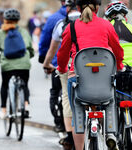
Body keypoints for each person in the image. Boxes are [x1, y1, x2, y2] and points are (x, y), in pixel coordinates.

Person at [56, 0, 125, 149]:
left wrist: (61, 68)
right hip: (103, 81)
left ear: (78, 7)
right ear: (98, 7)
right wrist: (119, 66)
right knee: (110, 100)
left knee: (77, 112)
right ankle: (110, 133)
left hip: (79, 81)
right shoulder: (107, 25)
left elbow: (62, 54)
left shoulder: (71, 27)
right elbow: (118, 50)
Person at [105, 1, 132, 149]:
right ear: (125, 16)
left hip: (115, 75)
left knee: (111, 105)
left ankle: (113, 136)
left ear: (109, 17)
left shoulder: (106, 30)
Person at [43, 0, 80, 149]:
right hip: (93, 62)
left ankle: (70, 137)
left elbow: (54, 50)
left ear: (67, 8)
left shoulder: (62, 24)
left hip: (70, 64)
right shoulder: (91, 22)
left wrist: (47, 64)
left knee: (67, 95)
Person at [0, 8, 34, 119]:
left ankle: (3, 109)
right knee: (24, 84)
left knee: (5, 84)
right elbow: (31, 49)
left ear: (4, 20)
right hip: (24, 64)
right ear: (18, 20)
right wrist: (30, 55)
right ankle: (26, 104)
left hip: (7, 66)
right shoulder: (23, 32)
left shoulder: (0, 33)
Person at [38, 0, 67, 133]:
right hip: (82, 64)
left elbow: (45, 40)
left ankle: (59, 122)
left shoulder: (54, 19)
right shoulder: (84, 17)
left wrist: (43, 58)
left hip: (57, 63)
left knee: (55, 92)